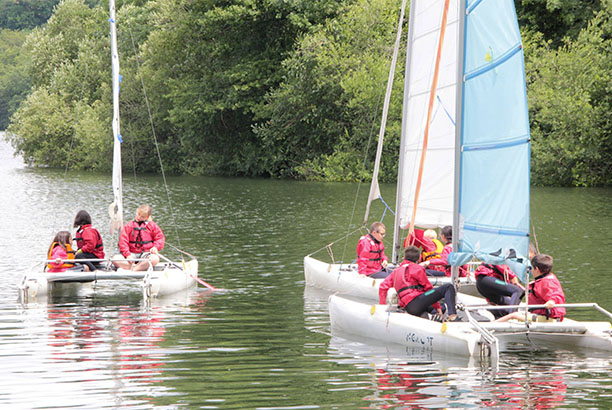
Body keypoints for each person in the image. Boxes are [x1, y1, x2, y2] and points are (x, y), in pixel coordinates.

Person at [379, 246, 458, 321]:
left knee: (442, 306)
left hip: (408, 306)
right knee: (448, 287)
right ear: (419, 259)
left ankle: (425, 316)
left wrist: (382, 306)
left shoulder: (395, 271)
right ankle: (452, 317)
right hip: (416, 302)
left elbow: (382, 287)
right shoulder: (417, 268)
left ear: (404, 258)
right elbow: (428, 289)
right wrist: (437, 307)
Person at [496, 254, 566, 322]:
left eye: (531, 268)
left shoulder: (548, 282)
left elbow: (555, 294)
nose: (531, 271)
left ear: (537, 269)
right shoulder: (542, 280)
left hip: (548, 318)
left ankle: (491, 325)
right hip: (540, 314)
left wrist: (552, 301)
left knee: (513, 315)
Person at [112, 204, 165, 271]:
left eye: (142, 217)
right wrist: (127, 255)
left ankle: (134, 269)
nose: (139, 217)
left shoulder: (152, 226)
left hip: (146, 253)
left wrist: (155, 247)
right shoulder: (129, 226)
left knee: (155, 259)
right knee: (115, 259)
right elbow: (123, 241)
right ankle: (137, 267)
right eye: (138, 214)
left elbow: (160, 238)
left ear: (147, 217)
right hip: (131, 254)